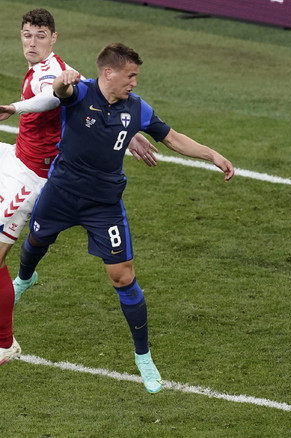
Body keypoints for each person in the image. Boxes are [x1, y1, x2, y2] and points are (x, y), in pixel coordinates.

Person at [11, 42, 234, 393]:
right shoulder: (80, 92)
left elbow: (172, 138)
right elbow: (59, 92)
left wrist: (213, 155)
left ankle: (143, 356)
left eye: (136, 76)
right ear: (108, 72)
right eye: (130, 76)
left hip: (104, 205)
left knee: (122, 277)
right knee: (36, 241)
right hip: (61, 193)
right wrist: (62, 82)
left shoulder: (137, 109)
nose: (134, 82)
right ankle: (24, 279)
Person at [0, 9, 157, 369]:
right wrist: (127, 130)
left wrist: (13, 107)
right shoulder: (53, 67)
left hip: (32, 176)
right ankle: (25, 278)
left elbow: (51, 98)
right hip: (15, 155)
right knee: (34, 244)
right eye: (27, 35)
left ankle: (5, 342)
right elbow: (95, 92)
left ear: (53, 38)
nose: (32, 42)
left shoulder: (51, 73)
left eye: (40, 36)